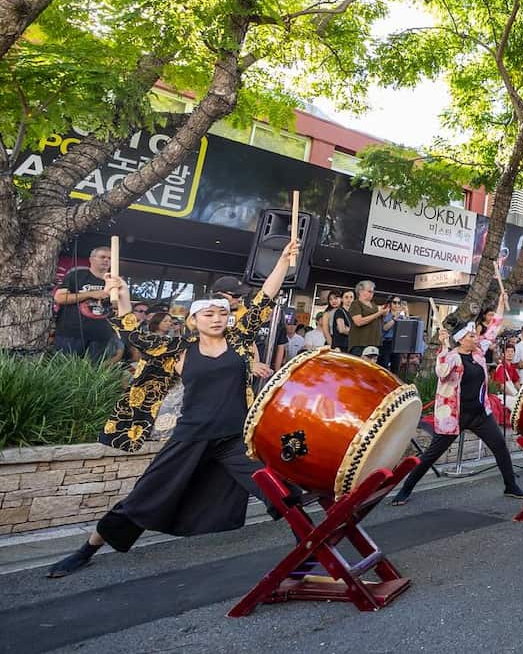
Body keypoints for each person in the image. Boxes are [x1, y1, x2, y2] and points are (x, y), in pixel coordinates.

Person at [47, 239, 301, 578]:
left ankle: (310, 541)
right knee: (144, 496)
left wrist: (283, 262)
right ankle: (87, 549)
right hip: (190, 438)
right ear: (194, 320)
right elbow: (132, 331)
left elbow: (263, 300)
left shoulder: (239, 341)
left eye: (222, 313)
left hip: (233, 439)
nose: (217, 318)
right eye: (208, 314)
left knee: (277, 489)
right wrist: (119, 294)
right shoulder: (177, 349)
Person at [391, 293, 523, 505]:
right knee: (431, 455)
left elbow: (494, 328)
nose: (476, 337)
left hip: (480, 413)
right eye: (471, 335)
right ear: (461, 339)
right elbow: (442, 372)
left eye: (475, 334)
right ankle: (406, 488)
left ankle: (511, 485)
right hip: (456, 416)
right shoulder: (452, 356)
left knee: (500, 445)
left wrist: (500, 303)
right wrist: (443, 346)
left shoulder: (479, 352)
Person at [52, 246, 122, 361]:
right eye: (102, 257)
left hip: (101, 336)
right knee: (63, 371)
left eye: (109, 258)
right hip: (71, 333)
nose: (106, 260)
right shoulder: (77, 275)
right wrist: (90, 294)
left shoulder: (114, 281)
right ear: (91, 259)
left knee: (92, 374)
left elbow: (119, 308)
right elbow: (59, 297)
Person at [346, 280, 385, 357]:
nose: (371, 294)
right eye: (369, 291)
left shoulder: (374, 305)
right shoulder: (356, 303)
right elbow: (358, 322)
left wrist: (383, 313)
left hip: (374, 343)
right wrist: (378, 313)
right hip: (360, 343)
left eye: (373, 292)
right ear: (360, 291)